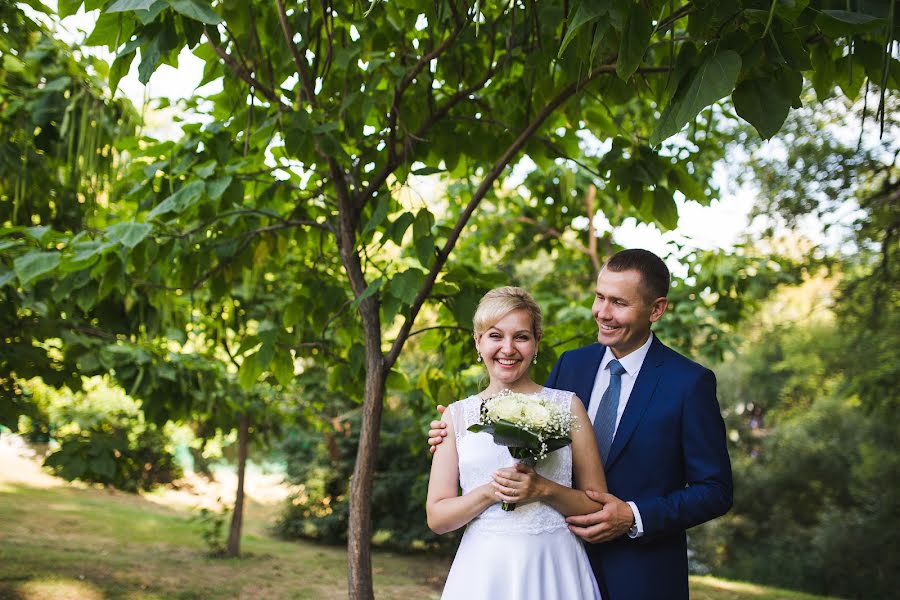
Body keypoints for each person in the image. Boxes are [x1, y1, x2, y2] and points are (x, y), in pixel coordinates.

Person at [429, 249, 733, 600]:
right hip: (553, 562)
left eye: (618, 302)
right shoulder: (573, 366)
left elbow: (715, 490)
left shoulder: (689, 384)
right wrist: (451, 436)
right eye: (600, 297)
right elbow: (525, 437)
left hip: (641, 572)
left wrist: (633, 516)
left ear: (656, 309)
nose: (603, 313)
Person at [427, 286, 607, 599]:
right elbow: (438, 518)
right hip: (484, 572)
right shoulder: (455, 416)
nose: (508, 348)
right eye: (495, 336)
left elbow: (597, 506)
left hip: (555, 567)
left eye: (521, 337)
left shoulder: (567, 406)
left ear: (536, 343)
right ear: (478, 342)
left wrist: (543, 489)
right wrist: (489, 492)